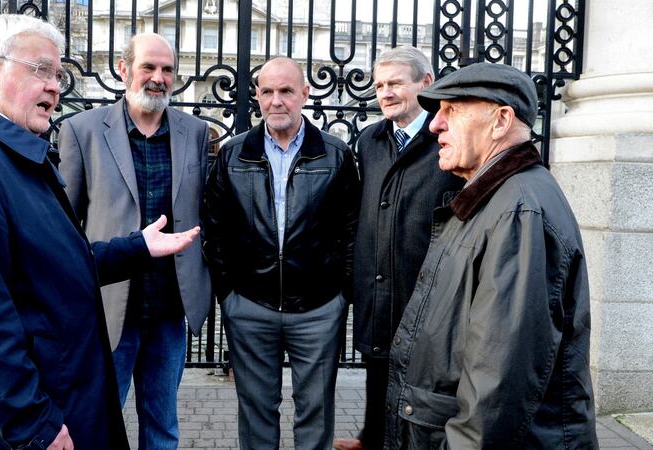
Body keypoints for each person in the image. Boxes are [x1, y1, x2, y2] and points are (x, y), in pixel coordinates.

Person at [0, 14, 200, 450]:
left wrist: (136, 248)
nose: (55, 86)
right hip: (17, 431)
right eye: (41, 70)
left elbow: (55, 266)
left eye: (57, 73)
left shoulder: (14, 155)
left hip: (62, 403)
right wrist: (34, 424)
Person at [383, 62, 598, 448]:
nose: (435, 125)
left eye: (453, 110)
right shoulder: (494, 199)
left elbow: (497, 388)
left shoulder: (519, 213)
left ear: (500, 121)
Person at [57, 32, 211, 450]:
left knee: (162, 426)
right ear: (124, 69)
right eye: (148, 66)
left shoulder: (195, 132)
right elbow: (66, 227)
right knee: (96, 423)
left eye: (167, 69)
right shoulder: (81, 130)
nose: (158, 77)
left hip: (168, 309)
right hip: (108, 307)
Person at [203, 56, 360, 450]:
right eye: (268, 91)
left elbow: (352, 230)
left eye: (286, 91)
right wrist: (229, 294)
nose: (277, 101)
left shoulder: (335, 154)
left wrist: (341, 294)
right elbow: (214, 227)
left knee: (315, 412)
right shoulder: (234, 153)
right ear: (256, 96)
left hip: (318, 307)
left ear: (305, 95)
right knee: (256, 413)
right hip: (250, 305)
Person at [333, 46, 464, 450]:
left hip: (426, 285)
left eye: (395, 83)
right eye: (379, 86)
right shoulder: (370, 139)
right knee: (378, 367)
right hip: (376, 282)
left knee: (424, 383)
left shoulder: (447, 139)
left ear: (426, 84)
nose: (385, 93)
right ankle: (371, 438)